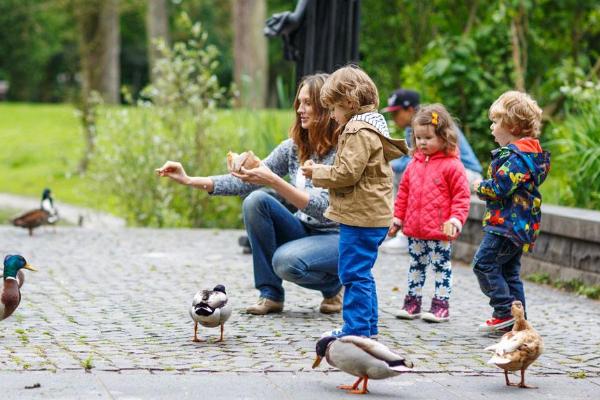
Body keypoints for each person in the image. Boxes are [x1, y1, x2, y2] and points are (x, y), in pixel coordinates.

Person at [156, 74, 344, 316]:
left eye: (308, 103)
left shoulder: (343, 151)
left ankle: (333, 285)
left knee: (285, 263)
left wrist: (274, 181)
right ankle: (271, 295)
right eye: (299, 103)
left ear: (325, 107)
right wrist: (189, 179)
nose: (300, 109)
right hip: (304, 229)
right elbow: (245, 183)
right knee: (256, 201)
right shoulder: (294, 148)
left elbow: (324, 208)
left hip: (336, 236)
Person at [302, 65, 407, 338]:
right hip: (374, 214)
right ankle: (367, 326)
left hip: (360, 216)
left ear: (349, 103)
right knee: (363, 272)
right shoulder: (374, 125)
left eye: (334, 109)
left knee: (352, 274)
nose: (334, 116)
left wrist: (317, 173)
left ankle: (356, 328)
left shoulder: (357, 131)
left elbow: (347, 173)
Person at [471, 91, 550, 333]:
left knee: (483, 264)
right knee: (509, 271)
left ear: (513, 127)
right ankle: (518, 320)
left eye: (495, 122)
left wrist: (478, 187)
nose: (492, 128)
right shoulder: (531, 156)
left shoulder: (516, 157)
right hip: (521, 225)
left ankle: (504, 310)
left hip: (506, 224)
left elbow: (500, 188)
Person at [388, 104, 471, 323]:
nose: (422, 142)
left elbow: (461, 197)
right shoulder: (413, 164)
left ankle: (441, 306)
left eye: (428, 137)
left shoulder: (453, 166)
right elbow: (403, 192)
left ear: (444, 137)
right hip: (415, 229)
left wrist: (455, 219)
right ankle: (412, 303)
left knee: (441, 268)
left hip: (440, 229)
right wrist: (398, 217)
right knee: (416, 266)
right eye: (418, 138)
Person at [380, 89, 483, 254]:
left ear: (409, 110)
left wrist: (387, 163)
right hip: (444, 173)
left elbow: (412, 160)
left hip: (467, 173)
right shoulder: (415, 128)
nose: (394, 118)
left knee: (408, 173)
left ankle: (405, 235)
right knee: (408, 173)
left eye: (396, 113)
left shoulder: (435, 123)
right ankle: (397, 226)